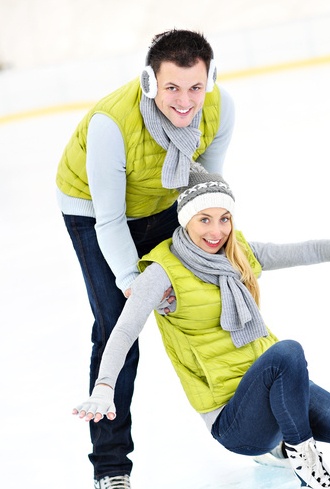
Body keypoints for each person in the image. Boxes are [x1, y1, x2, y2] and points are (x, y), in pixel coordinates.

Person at [73, 169, 330, 489]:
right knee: (286, 352)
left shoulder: (239, 254)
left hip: (279, 391)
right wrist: (105, 385)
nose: (216, 231)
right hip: (234, 420)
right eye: (204, 220)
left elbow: (309, 250)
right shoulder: (162, 273)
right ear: (184, 219)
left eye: (224, 219)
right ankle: (304, 458)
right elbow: (124, 330)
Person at [56, 29, 235, 489]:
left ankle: (259, 428)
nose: (185, 100)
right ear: (151, 82)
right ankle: (111, 467)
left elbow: (203, 192)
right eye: (172, 87)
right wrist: (132, 281)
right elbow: (110, 219)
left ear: (209, 80)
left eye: (195, 87)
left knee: (218, 301)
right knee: (119, 328)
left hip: (162, 203)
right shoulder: (111, 124)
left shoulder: (219, 108)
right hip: (93, 210)